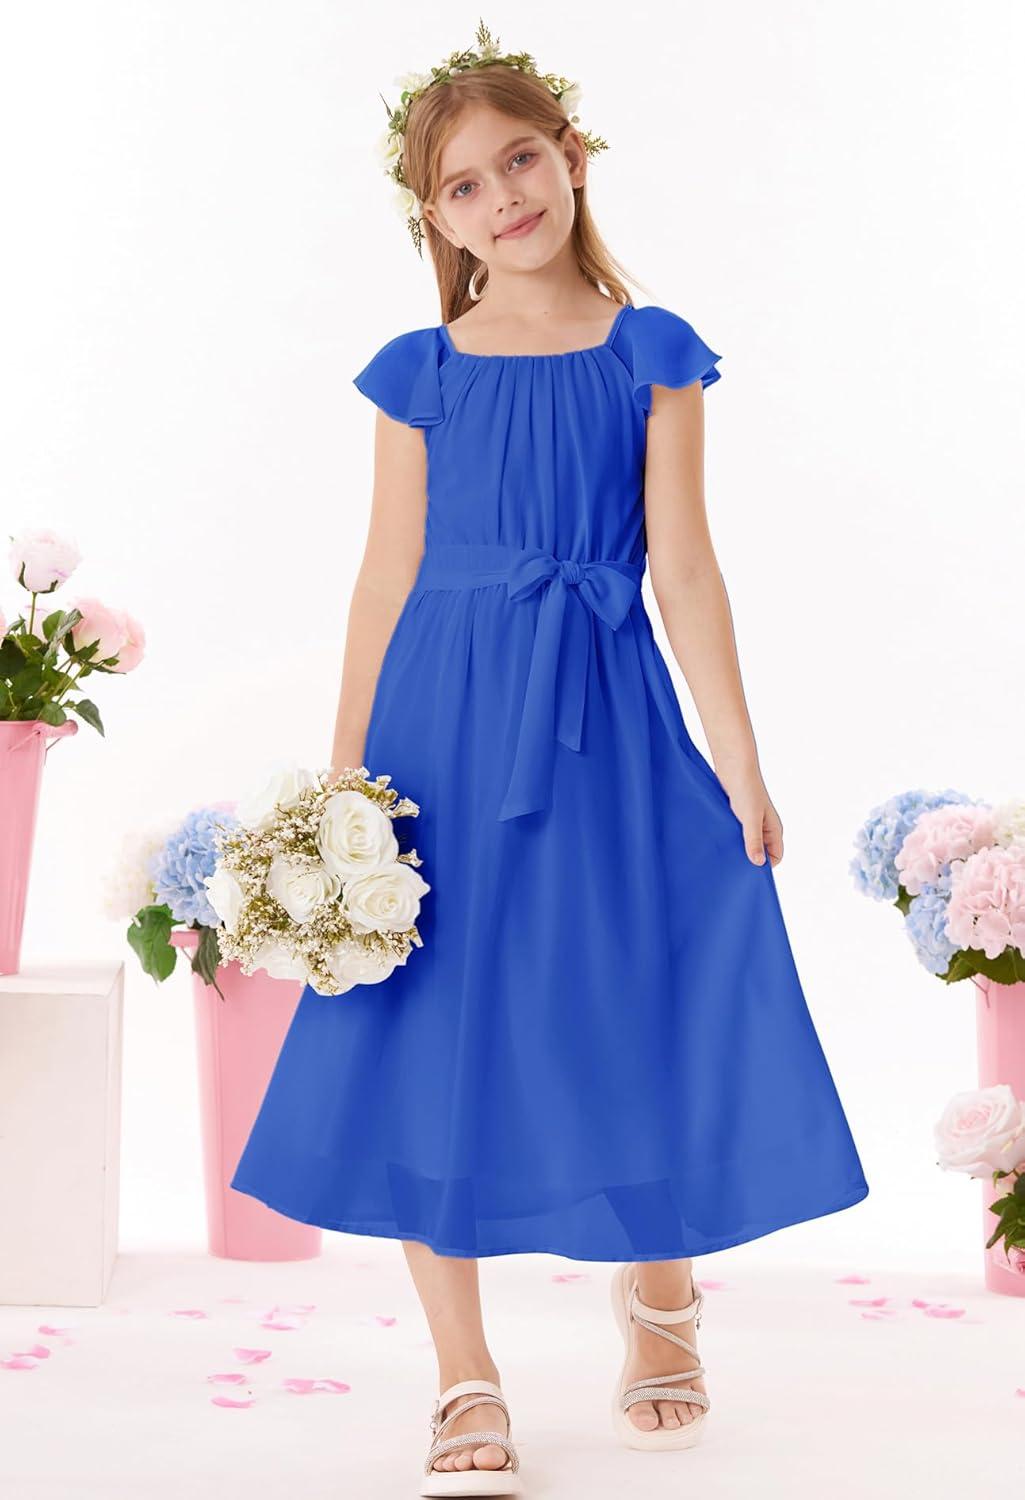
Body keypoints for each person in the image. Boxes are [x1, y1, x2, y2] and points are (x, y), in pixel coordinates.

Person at [229, 23, 870, 1495]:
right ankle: (464, 1371)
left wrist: (740, 763)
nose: (503, 197)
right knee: (427, 1020)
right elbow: (382, 581)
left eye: (520, 160)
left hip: (601, 711)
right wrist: (344, 784)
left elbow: (684, 571)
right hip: (439, 727)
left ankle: (661, 1291)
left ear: (573, 156)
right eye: (464, 186)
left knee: (627, 984)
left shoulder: (650, 352)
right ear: (435, 220)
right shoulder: (422, 373)